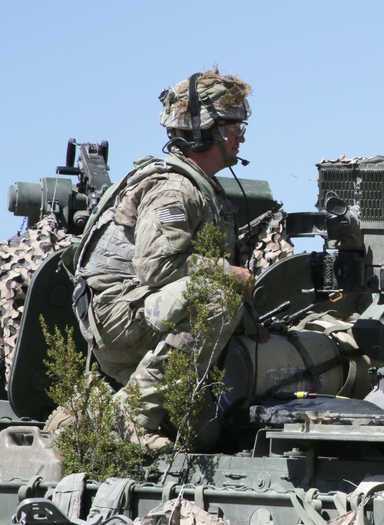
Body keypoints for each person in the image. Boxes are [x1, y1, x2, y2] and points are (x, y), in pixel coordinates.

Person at [69, 68, 256, 450]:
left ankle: (106, 411)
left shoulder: (200, 186)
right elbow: (156, 268)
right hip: (120, 315)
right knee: (216, 301)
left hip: (138, 310)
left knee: (207, 431)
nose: (240, 135)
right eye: (232, 125)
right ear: (205, 131)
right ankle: (127, 420)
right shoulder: (176, 188)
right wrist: (228, 273)